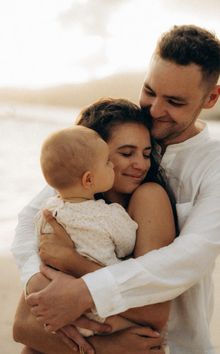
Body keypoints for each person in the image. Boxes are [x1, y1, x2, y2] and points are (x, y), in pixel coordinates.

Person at [23, 24, 220, 354]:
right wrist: (40, 281)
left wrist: (81, 285)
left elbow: (192, 255)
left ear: (211, 98)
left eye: (173, 101)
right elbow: (36, 215)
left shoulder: (213, 166)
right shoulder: (114, 136)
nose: (155, 110)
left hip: (175, 343)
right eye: (149, 91)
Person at [12, 98, 176, 354]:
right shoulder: (64, 209)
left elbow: (155, 312)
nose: (142, 165)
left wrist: (72, 261)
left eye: (146, 154)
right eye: (125, 153)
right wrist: (104, 348)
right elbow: (22, 327)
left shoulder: (148, 197)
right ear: (92, 157)